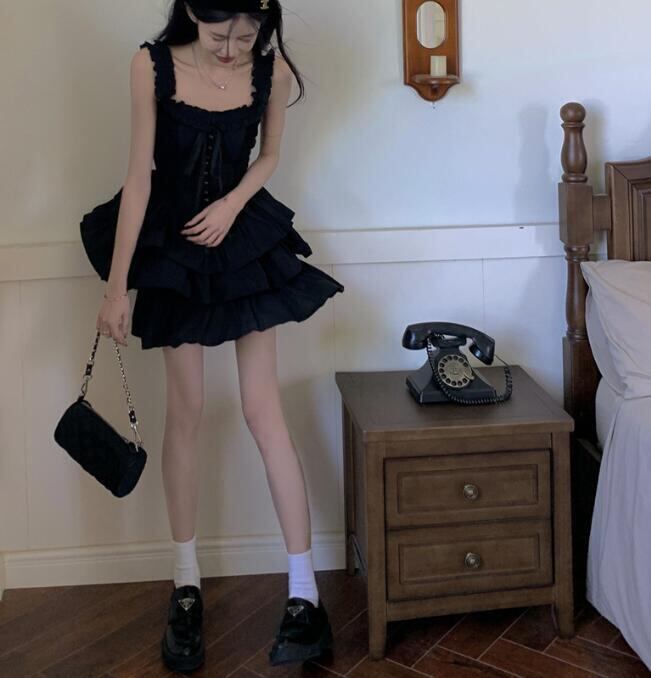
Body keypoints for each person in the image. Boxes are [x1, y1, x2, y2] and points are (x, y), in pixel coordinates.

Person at [79, 0, 343, 670]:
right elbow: (138, 179)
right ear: (192, 11)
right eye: (219, 35)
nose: (231, 49)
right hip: (174, 248)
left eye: (247, 37)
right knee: (188, 411)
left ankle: (305, 596)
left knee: (263, 410)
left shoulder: (272, 72)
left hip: (242, 238)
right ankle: (186, 586)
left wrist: (231, 203)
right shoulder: (151, 67)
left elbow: (271, 154)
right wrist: (117, 289)